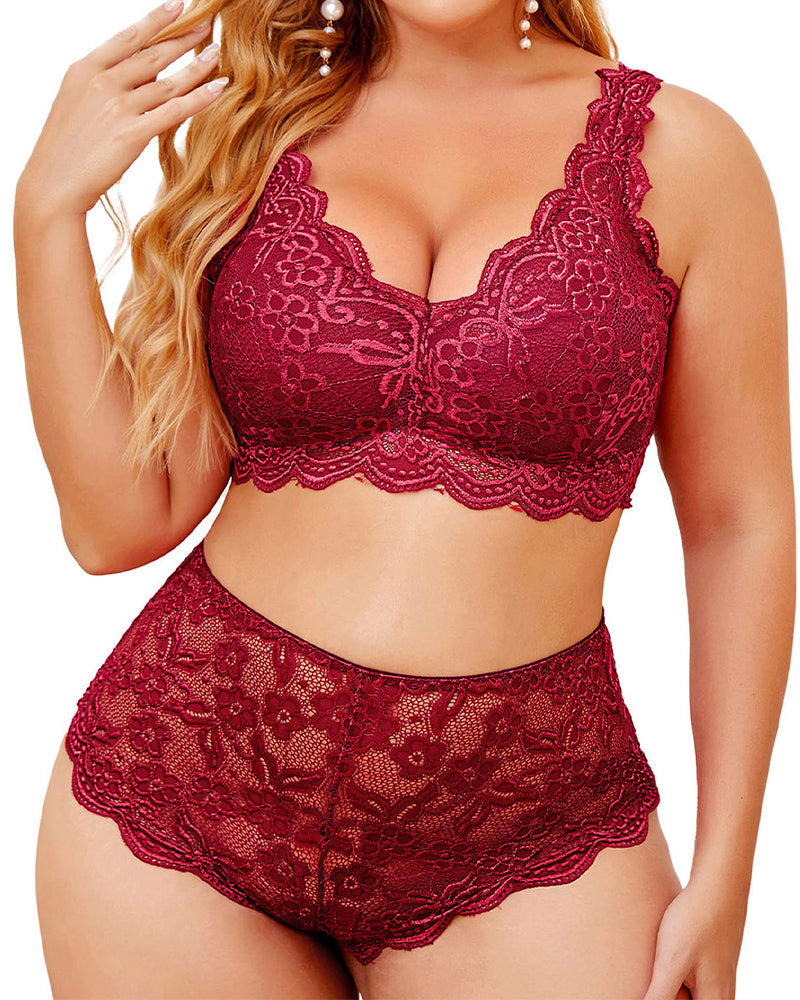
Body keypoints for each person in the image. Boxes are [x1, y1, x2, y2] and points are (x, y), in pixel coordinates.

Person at [15, 0, 793, 998]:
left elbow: (738, 525)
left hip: (522, 811)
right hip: (186, 782)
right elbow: (118, 523)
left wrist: (727, 877)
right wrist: (44, 212)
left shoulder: (685, 156)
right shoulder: (254, 130)